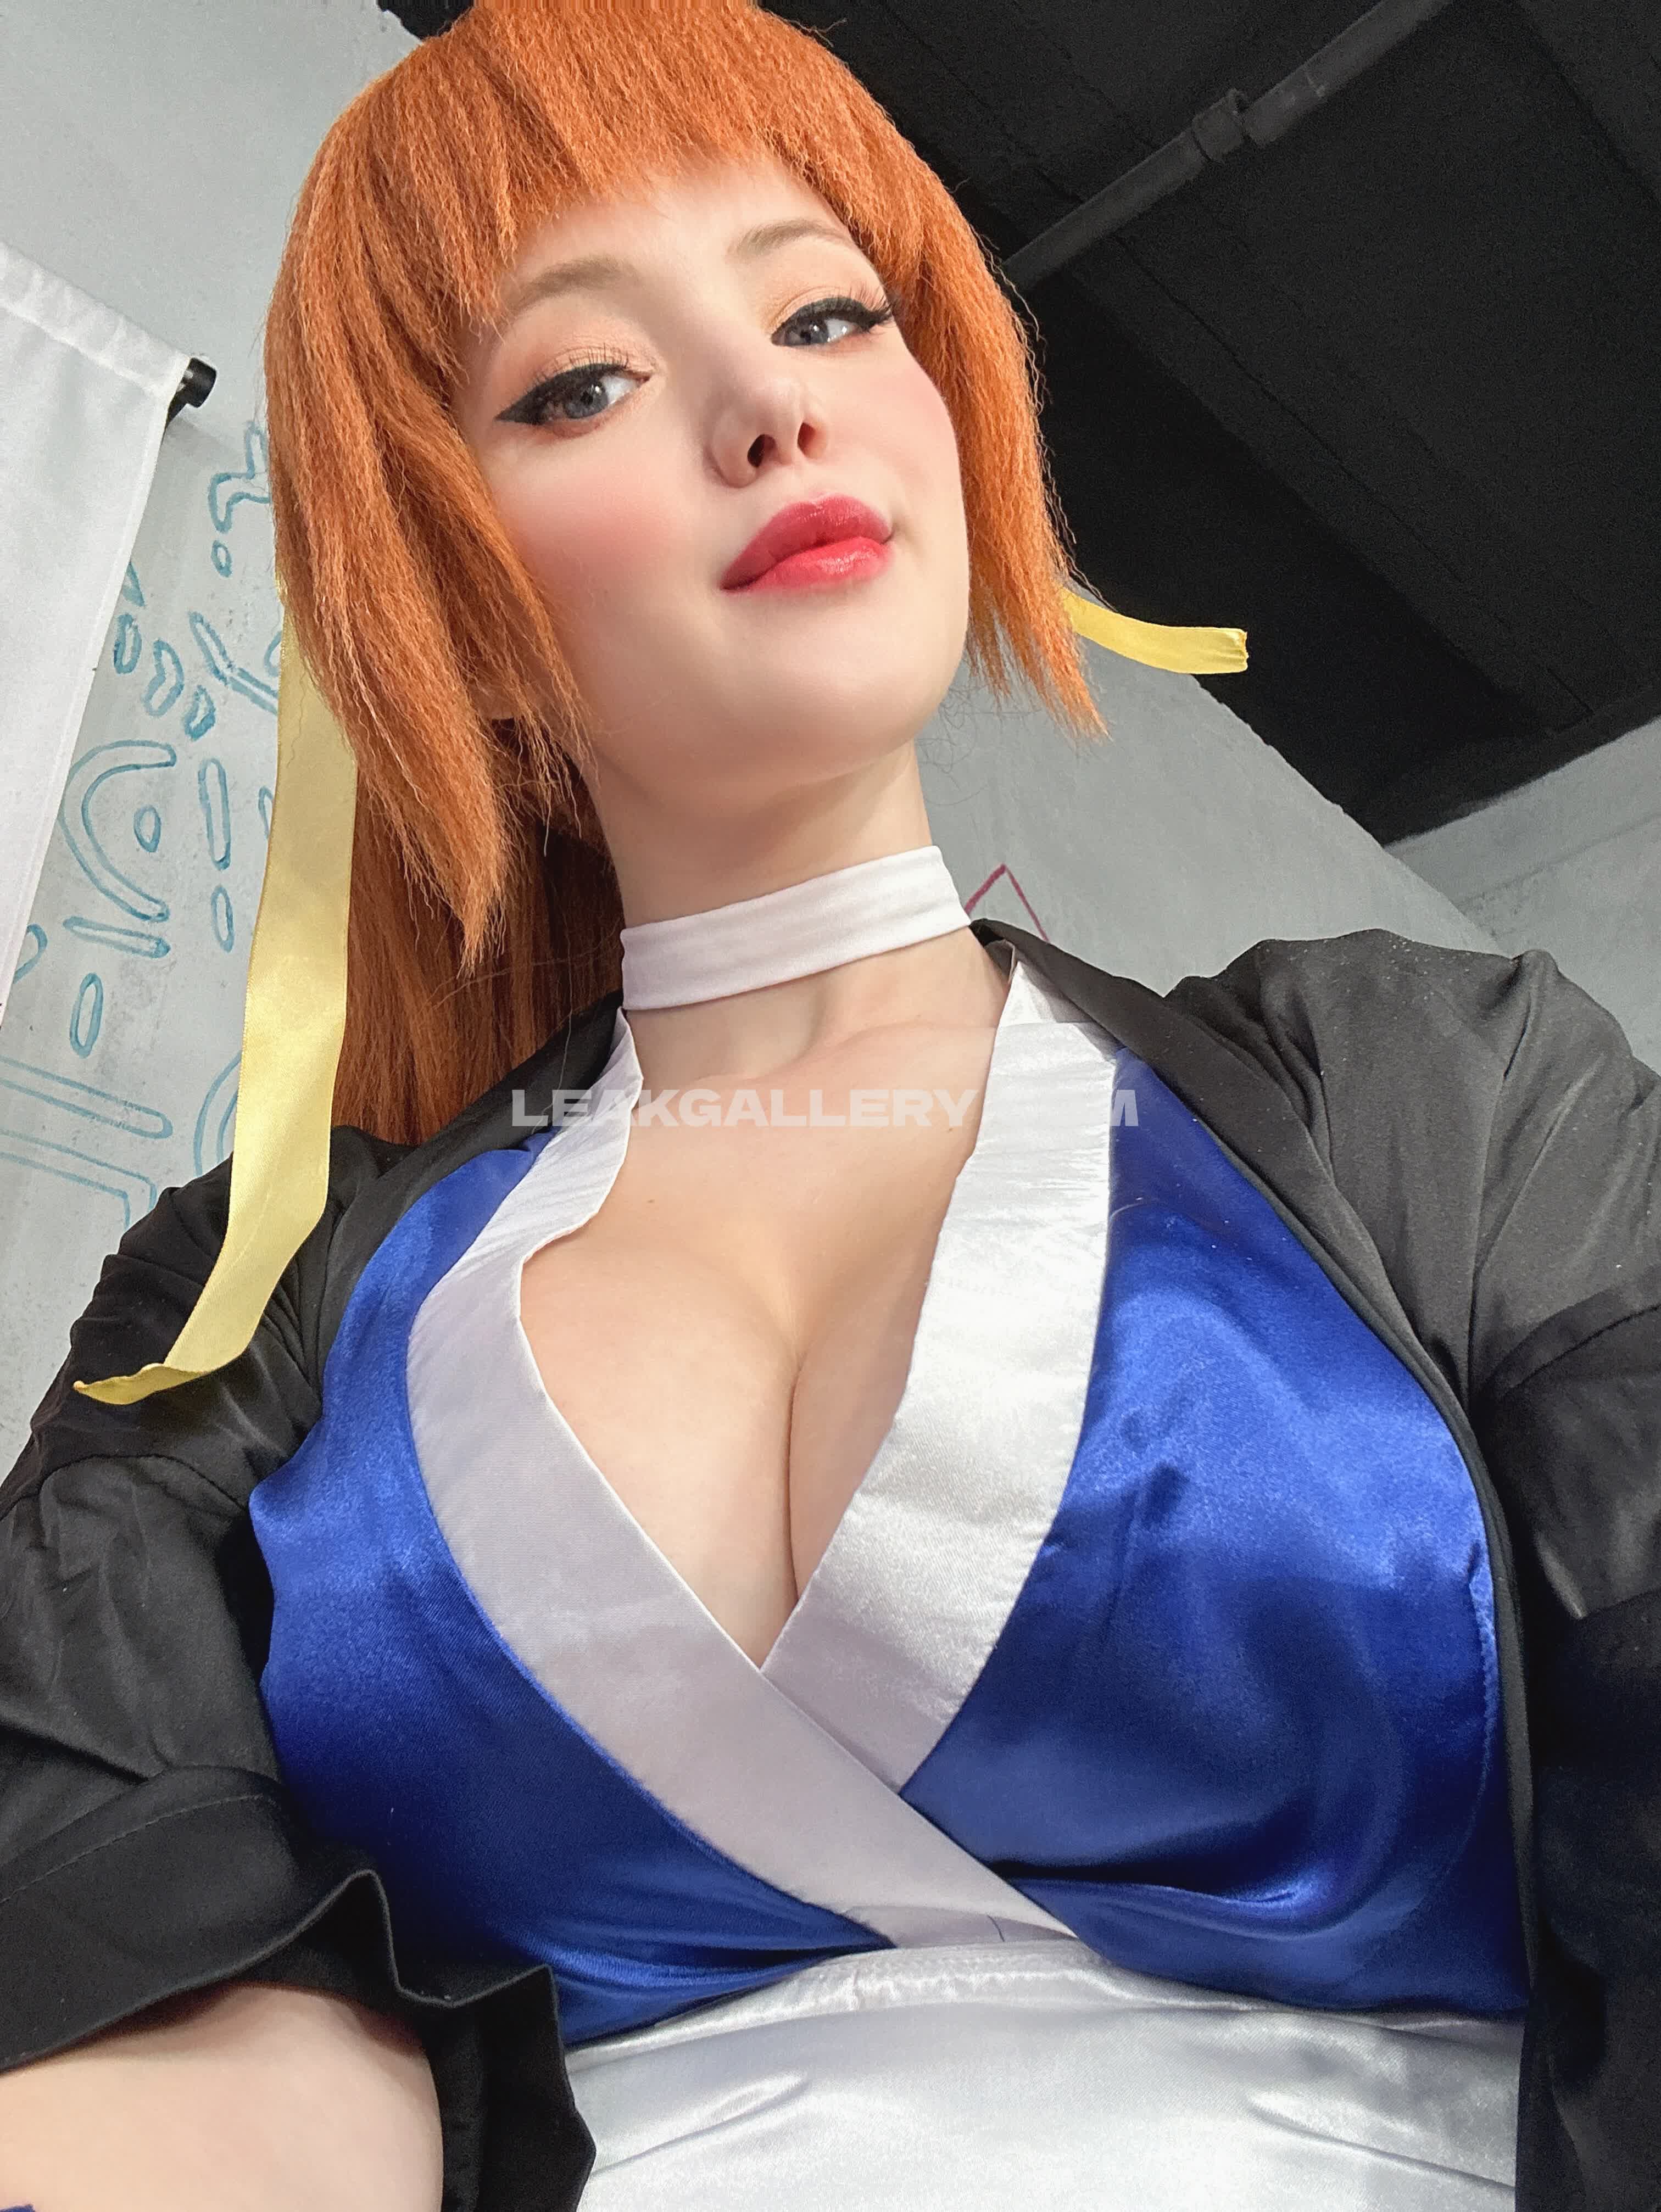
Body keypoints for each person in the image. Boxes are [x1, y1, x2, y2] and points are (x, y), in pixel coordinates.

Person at [1, 3, 1657, 2208]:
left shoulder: (1434, 1088)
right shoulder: (252, 1291)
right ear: (439, 583)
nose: (767, 403)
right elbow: (135, 1964)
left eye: (826, 310)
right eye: (580, 381)